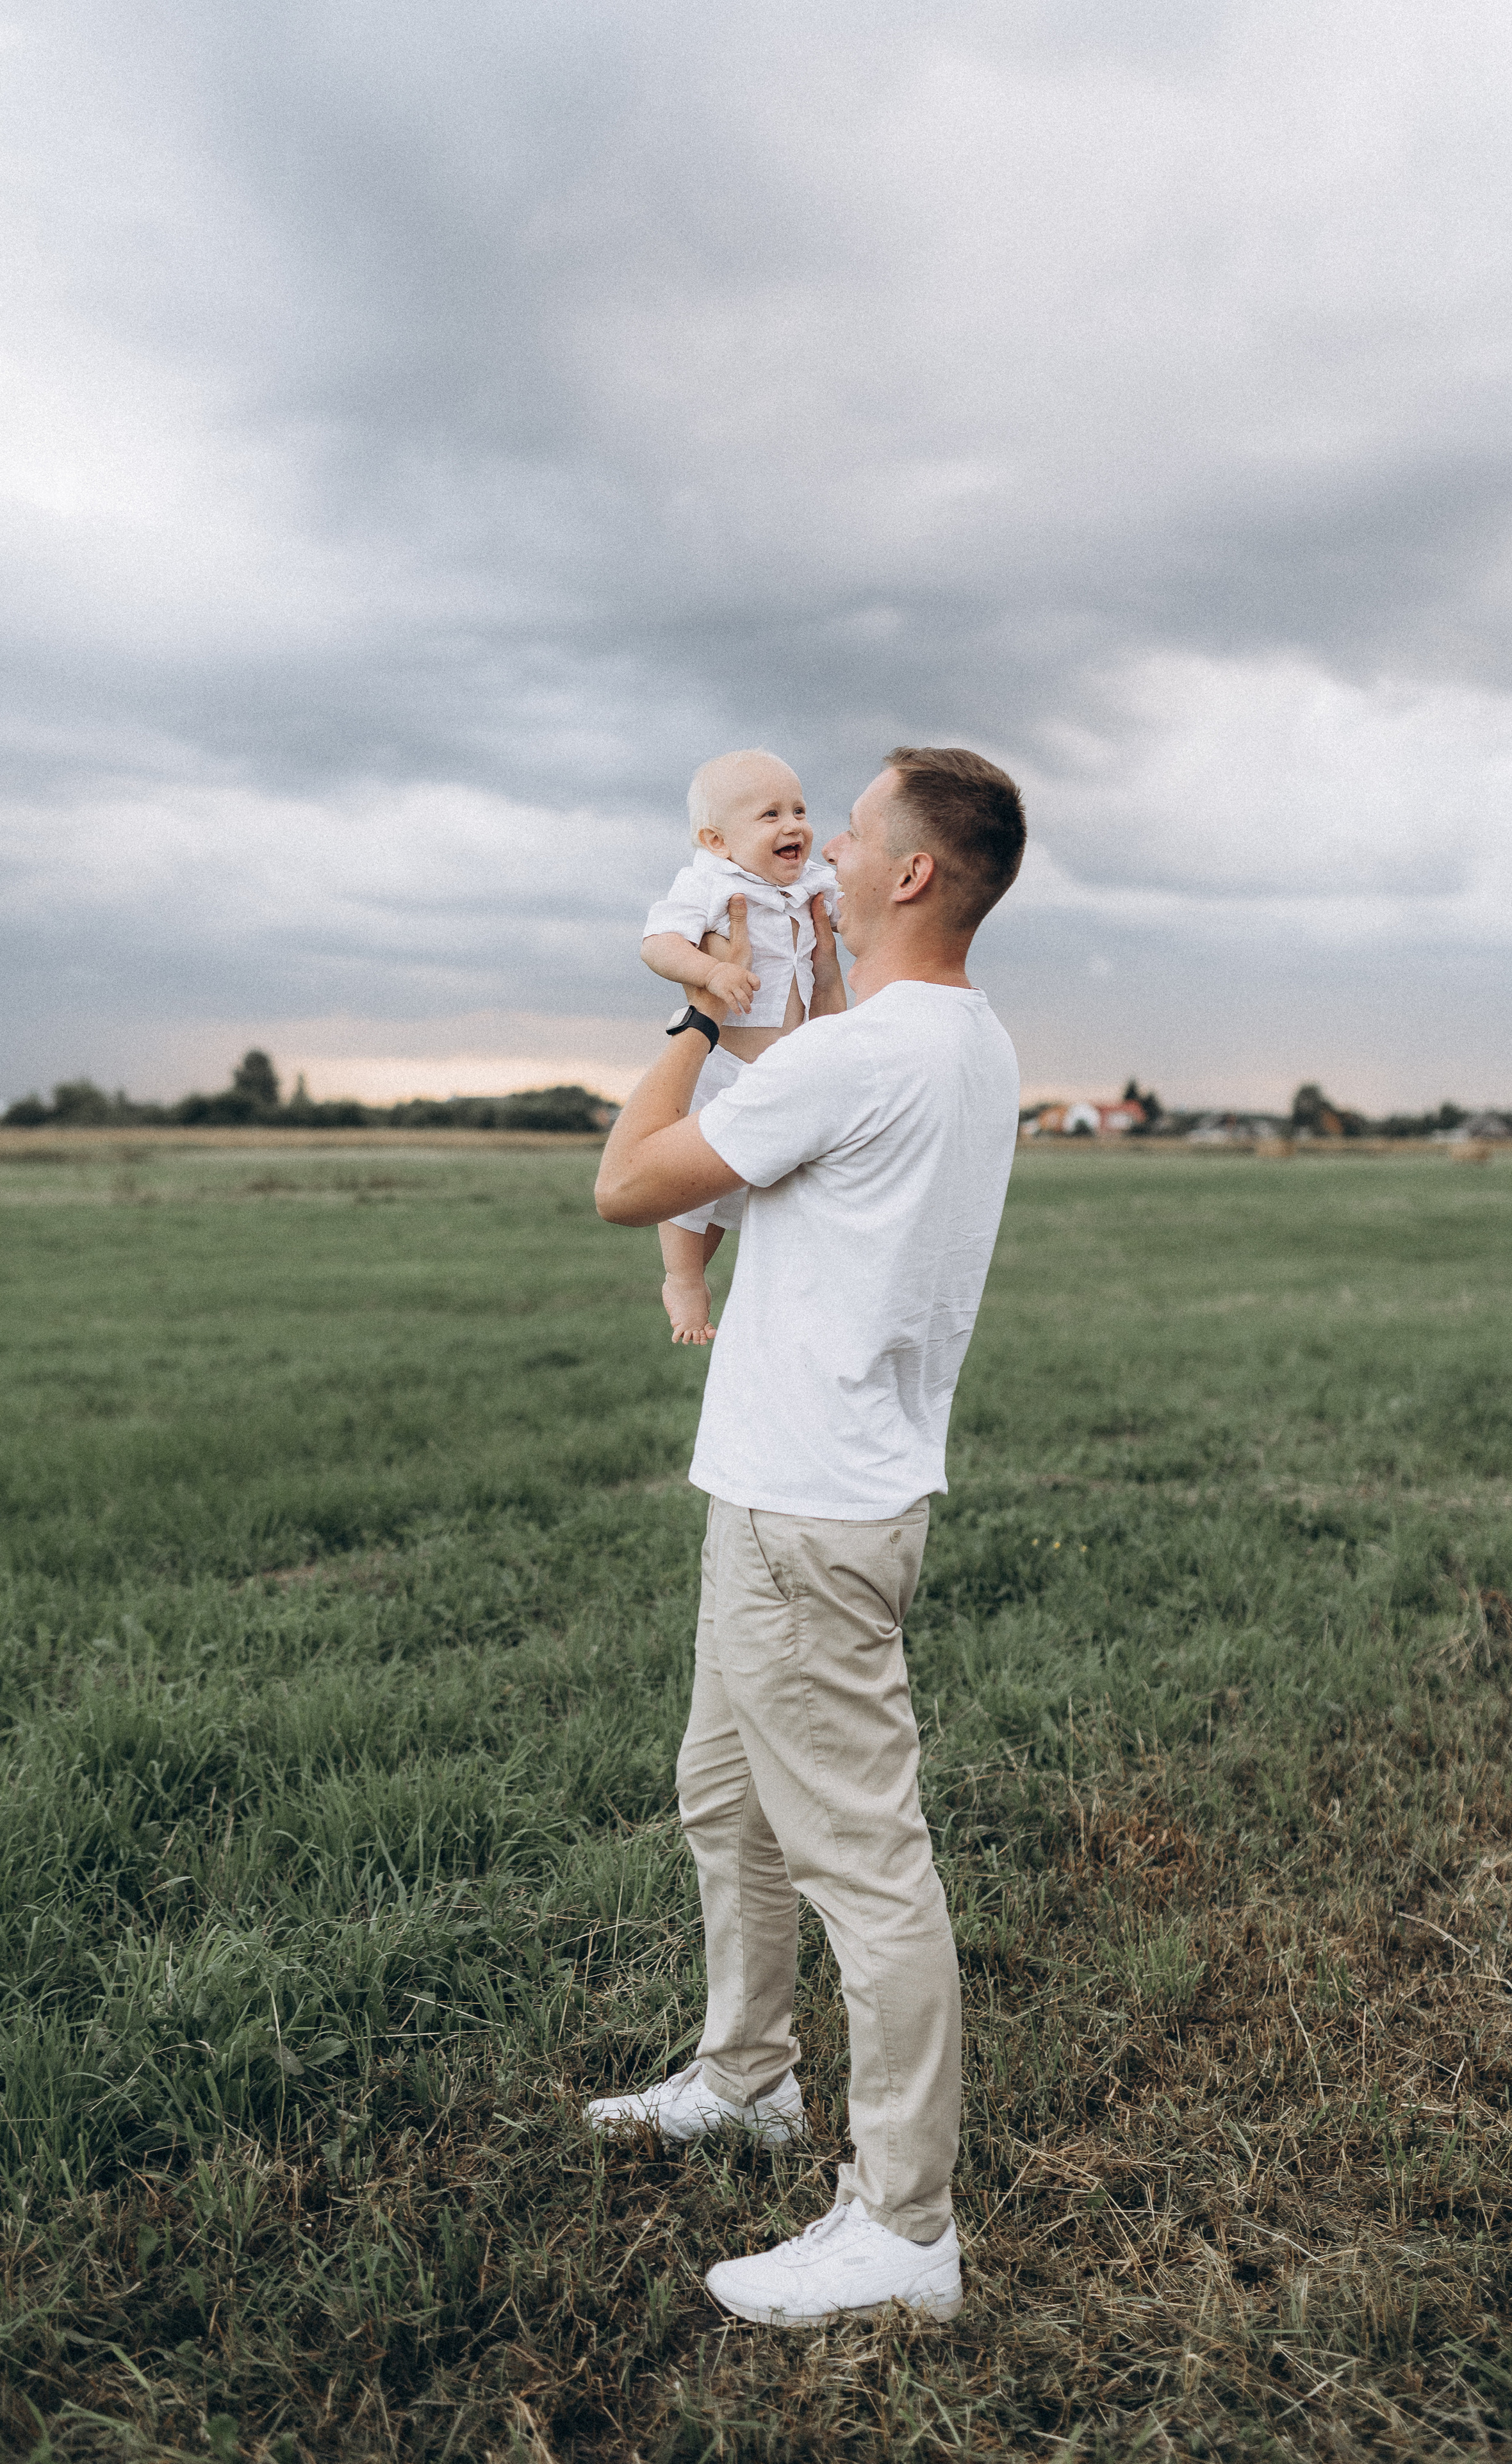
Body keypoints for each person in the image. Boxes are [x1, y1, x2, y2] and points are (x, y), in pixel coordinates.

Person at [589, 745, 1026, 2328]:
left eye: (847, 831)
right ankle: (744, 2075)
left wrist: (700, 1016)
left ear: (909, 871)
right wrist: (805, 991)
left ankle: (903, 2227)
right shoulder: (960, 1042)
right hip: (799, 1489)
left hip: (807, 1515)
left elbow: (627, 1181)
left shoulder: (844, 1059)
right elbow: (836, 1077)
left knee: (865, 1863)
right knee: (721, 1793)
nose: (819, 848)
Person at [640, 747, 844, 1344]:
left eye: (800, 809)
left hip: (788, 1066)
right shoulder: (707, 882)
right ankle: (683, 1278)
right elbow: (658, 943)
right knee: (691, 1188)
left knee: (750, 1186)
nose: (794, 826)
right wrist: (710, 974)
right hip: (721, 1062)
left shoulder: (811, 883)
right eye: (770, 815)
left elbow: (853, 910)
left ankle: (777, 1299)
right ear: (717, 840)